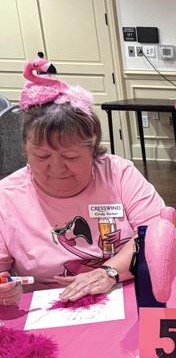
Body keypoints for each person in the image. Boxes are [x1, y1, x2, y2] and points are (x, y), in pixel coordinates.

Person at [0, 59, 165, 305]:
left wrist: (109, 272)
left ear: (92, 150)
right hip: (47, 310)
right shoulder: (7, 197)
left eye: (70, 157)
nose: (57, 168)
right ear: (25, 150)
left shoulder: (118, 173)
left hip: (127, 296)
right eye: (42, 156)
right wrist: (5, 290)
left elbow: (158, 235)